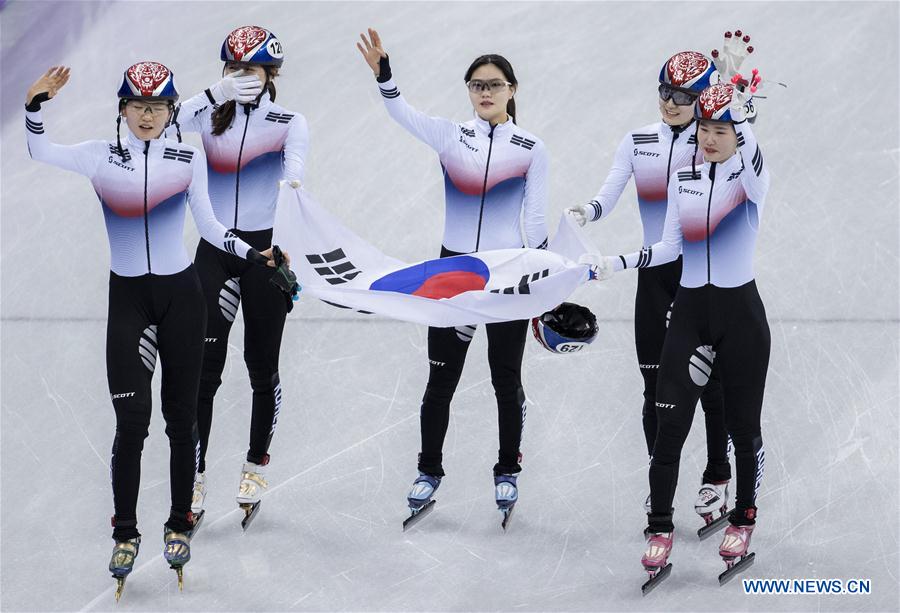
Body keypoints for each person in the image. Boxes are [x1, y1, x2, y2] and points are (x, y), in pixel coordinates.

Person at [24, 62, 282, 596]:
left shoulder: (187, 157)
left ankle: (178, 522)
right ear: (123, 109)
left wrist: (253, 254)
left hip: (182, 299)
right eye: (138, 106)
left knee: (181, 420)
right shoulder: (99, 156)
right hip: (130, 303)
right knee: (131, 422)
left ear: (170, 113)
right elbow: (41, 151)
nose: (147, 115)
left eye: (158, 107)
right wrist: (34, 106)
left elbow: (210, 226)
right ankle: (125, 531)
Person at [356, 28, 548, 526]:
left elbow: (537, 221)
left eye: (494, 84)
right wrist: (385, 77)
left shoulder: (530, 148)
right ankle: (428, 472)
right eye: (476, 84)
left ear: (512, 89)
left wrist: (543, 277)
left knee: (507, 380)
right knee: (440, 380)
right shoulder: (450, 135)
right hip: (454, 274)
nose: (485, 92)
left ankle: (508, 470)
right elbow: (404, 115)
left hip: (505, 278)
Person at [584, 70, 769, 580]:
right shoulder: (682, 177)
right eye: (704, 129)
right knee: (668, 420)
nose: (709, 139)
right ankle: (660, 527)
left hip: (739, 315)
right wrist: (616, 262)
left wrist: (741, 106)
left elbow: (752, 155)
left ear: (738, 135)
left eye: (721, 131)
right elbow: (668, 247)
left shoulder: (749, 182)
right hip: (689, 310)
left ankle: (744, 516)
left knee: (742, 424)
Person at [567, 51, 731, 523]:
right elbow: (609, 194)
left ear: (701, 97)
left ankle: (716, 474)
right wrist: (586, 212)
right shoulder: (638, 141)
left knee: (711, 383)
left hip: (702, 273)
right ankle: (661, 480)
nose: (671, 103)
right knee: (653, 385)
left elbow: (744, 137)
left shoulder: (711, 143)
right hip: (653, 274)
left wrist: (735, 94)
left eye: (684, 96)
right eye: (665, 92)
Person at [169, 25, 309, 527]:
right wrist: (213, 94)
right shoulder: (206, 115)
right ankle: (197, 474)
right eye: (232, 69)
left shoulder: (290, 122)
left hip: (265, 253)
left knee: (259, 364)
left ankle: (255, 464)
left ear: (270, 74)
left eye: (249, 70)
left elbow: (295, 177)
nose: (239, 77)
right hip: (216, 252)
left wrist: (291, 217)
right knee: (203, 372)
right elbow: (161, 125)